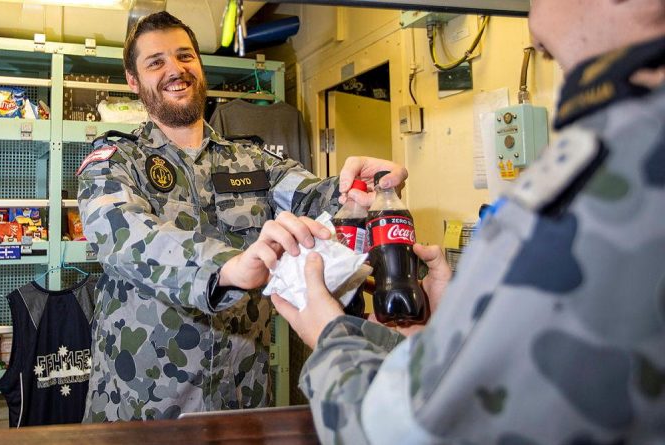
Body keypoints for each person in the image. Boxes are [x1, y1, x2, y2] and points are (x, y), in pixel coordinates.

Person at [273, 0, 665, 443]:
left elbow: (400, 433)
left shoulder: (622, 157)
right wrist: (447, 335)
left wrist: (331, 334)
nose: (534, 15)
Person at [76, 11, 408, 421]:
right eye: (155, 62)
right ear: (133, 81)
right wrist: (226, 266)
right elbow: (122, 235)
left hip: (242, 396)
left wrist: (360, 188)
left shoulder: (252, 160)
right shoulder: (113, 162)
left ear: (200, 65)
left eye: (185, 56)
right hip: (144, 403)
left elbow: (314, 197)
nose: (175, 70)